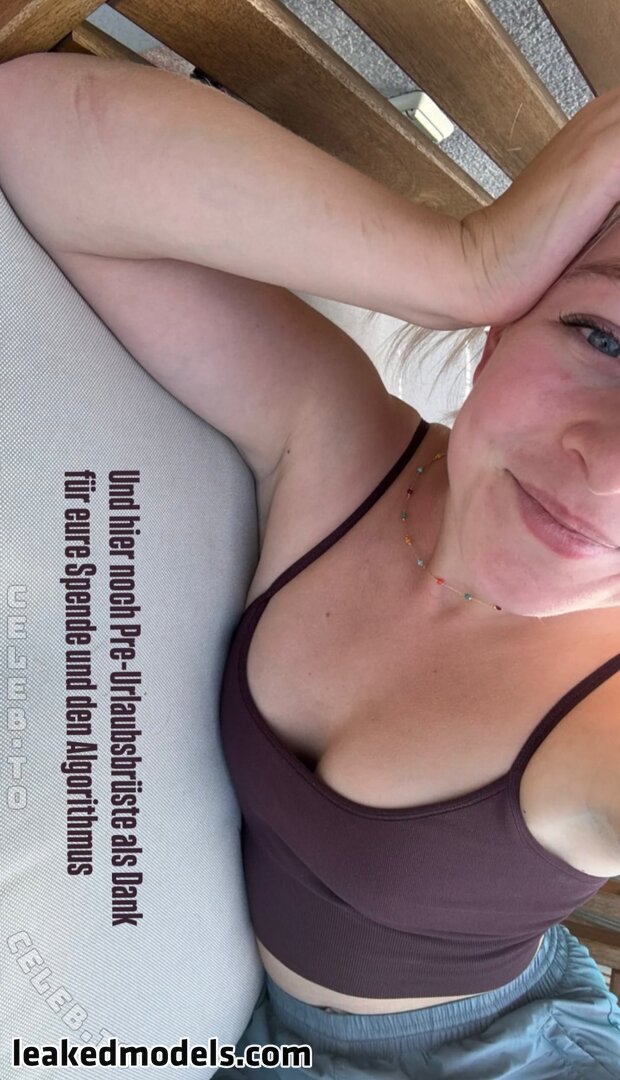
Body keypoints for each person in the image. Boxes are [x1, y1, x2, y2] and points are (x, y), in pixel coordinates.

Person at [3, 52, 620, 1078]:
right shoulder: (344, 446)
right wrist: (464, 262)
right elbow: (37, 129)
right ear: (501, 326)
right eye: (602, 337)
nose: (604, 469)